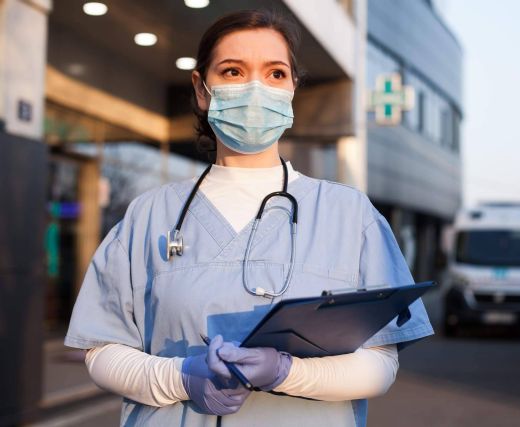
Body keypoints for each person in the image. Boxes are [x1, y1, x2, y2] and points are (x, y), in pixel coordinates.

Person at [65, 9, 433, 427]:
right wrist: (181, 377)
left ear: (292, 88)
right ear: (202, 90)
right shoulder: (149, 216)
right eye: (233, 71)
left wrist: (287, 372)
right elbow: (101, 351)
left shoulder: (351, 216)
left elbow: (379, 365)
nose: (255, 88)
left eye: (275, 74)